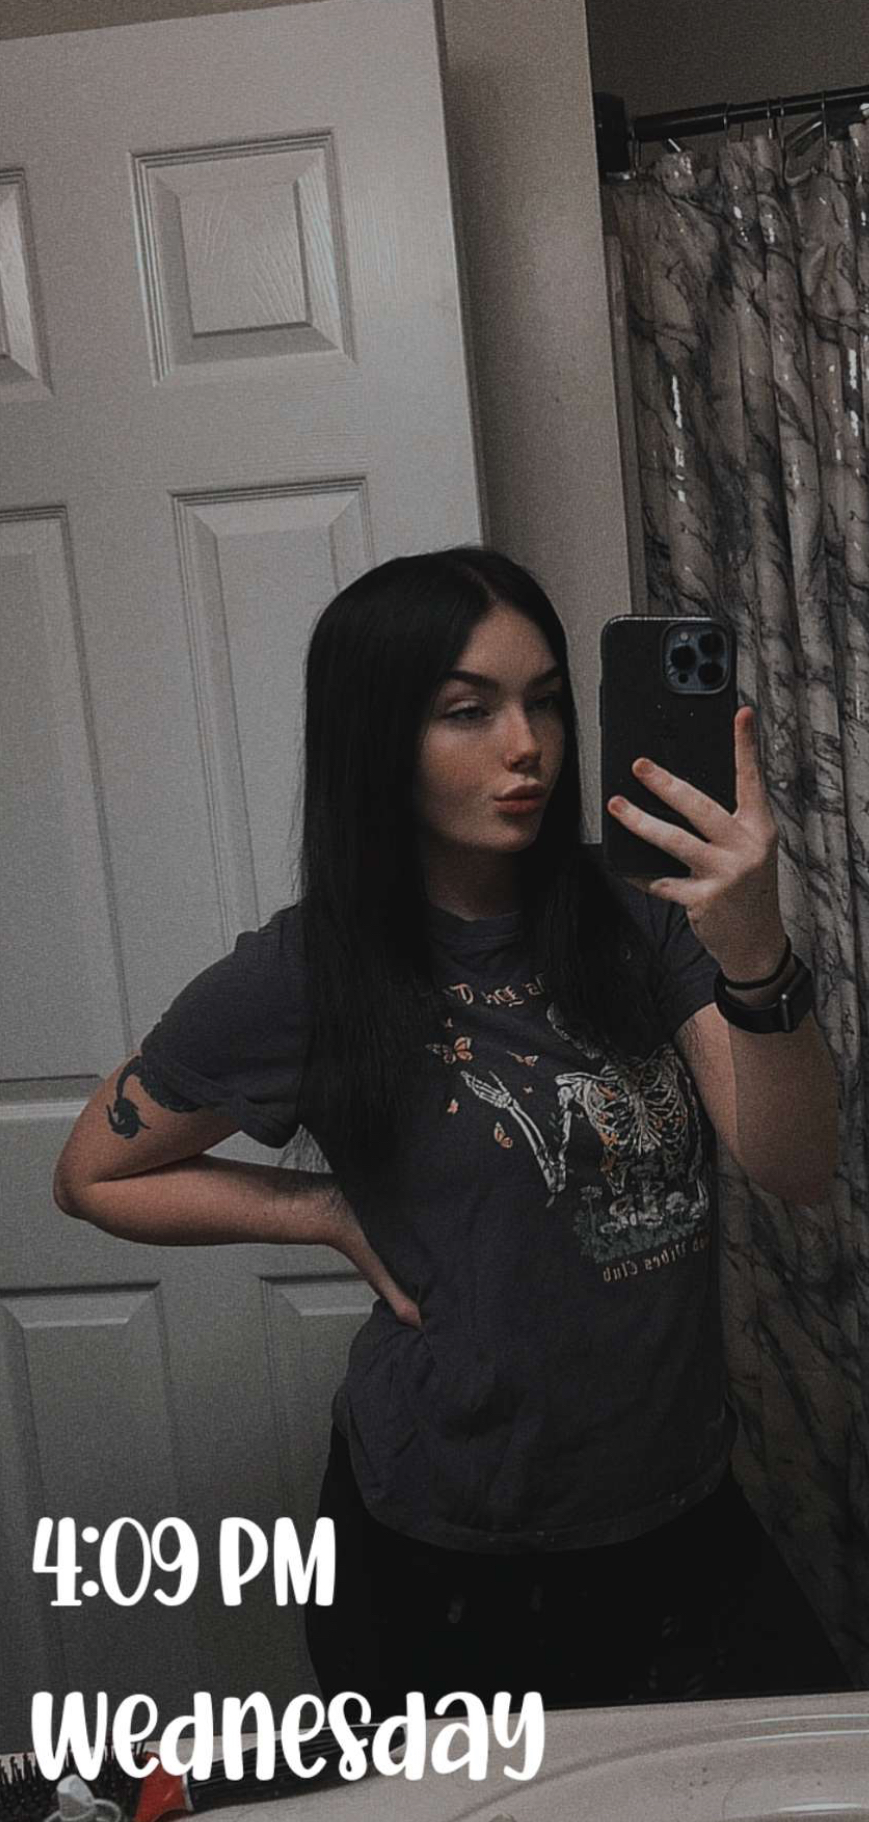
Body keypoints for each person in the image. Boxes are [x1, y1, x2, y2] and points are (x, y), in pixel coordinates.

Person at [54, 546, 850, 1714]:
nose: (525, 746)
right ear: (377, 737)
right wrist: (327, 1211)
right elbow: (93, 1174)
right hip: (451, 1559)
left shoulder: (640, 911)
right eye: (466, 711)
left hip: (680, 1511)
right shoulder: (307, 972)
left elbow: (794, 1166)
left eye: (544, 701)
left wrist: (752, 953)